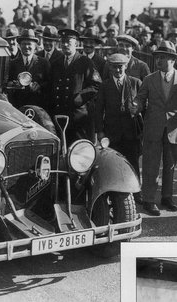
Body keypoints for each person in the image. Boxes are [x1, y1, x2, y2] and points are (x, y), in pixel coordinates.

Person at [129, 41, 177, 216]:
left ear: (173, 60)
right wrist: (135, 105)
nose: (158, 61)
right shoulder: (149, 79)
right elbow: (140, 98)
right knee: (151, 164)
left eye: (163, 58)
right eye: (157, 57)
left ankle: (167, 197)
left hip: (173, 129)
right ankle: (149, 200)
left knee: (170, 165)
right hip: (153, 126)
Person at [95, 53, 143, 203]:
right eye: (114, 67)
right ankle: (114, 193)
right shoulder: (104, 86)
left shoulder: (135, 83)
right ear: (109, 68)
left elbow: (145, 105)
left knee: (133, 162)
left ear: (126, 66)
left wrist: (138, 109)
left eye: (120, 67)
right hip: (112, 133)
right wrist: (100, 132)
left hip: (131, 132)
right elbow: (98, 110)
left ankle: (136, 193)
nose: (117, 70)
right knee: (112, 164)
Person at [49, 29, 102, 143]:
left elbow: (96, 85)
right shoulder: (56, 63)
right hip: (59, 115)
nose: (65, 45)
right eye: (63, 42)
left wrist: (81, 97)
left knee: (79, 152)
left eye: (68, 41)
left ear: (76, 44)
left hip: (78, 117)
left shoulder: (85, 62)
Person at [7, 29, 50, 109]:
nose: (26, 47)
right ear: (19, 45)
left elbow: (49, 83)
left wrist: (39, 86)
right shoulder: (13, 63)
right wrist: (13, 84)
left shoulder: (43, 63)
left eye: (29, 44)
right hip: (18, 107)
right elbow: (7, 83)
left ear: (34, 46)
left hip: (37, 106)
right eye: (23, 44)